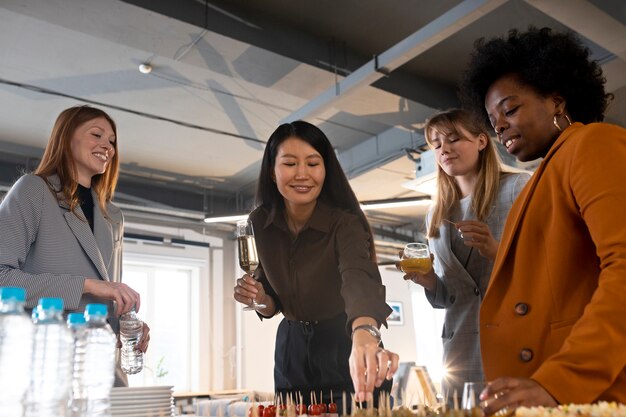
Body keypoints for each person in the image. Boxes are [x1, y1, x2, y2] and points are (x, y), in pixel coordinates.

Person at [459, 26, 626, 411]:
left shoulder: (592, 143)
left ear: (556, 100)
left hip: (587, 397)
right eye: (491, 118)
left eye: (510, 109)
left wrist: (563, 380)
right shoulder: (543, 178)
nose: (498, 125)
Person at [233, 120, 399, 407]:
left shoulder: (345, 223)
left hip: (344, 342)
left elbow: (358, 279)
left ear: (325, 170)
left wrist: (365, 333)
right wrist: (259, 298)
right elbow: (271, 302)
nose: (302, 174)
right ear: (272, 171)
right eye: (289, 163)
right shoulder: (259, 223)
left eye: (313, 163)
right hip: (292, 351)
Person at [0, 105, 150, 386]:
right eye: (97, 134)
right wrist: (88, 285)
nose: (107, 145)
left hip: (102, 371)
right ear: (66, 138)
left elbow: (108, 293)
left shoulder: (112, 216)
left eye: (112, 141)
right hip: (45, 368)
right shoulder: (33, 190)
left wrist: (127, 324)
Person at [400, 109, 529, 404]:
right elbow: (452, 296)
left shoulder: (518, 189)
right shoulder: (437, 214)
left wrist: (496, 252)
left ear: (482, 141)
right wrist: (430, 281)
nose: (444, 149)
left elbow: (544, 271)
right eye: (436, 144)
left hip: (510, 339)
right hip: (459, 349)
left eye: (454, 139)